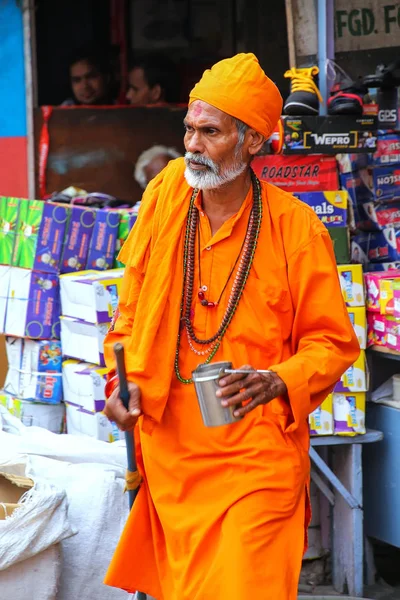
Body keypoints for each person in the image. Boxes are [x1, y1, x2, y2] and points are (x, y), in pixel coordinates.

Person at [103, 53, 360, 600]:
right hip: (172, 454)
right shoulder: (167, 193)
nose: (192, 145)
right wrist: (118, 381)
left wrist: (277, 379)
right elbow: (132, 309)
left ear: (252, 142)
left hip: (255, 455)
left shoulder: (297, 229)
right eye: (189, 129)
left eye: (211, 132)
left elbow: (332, 341)